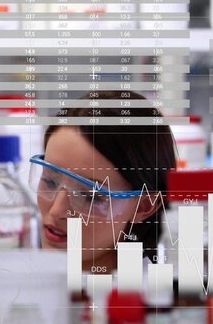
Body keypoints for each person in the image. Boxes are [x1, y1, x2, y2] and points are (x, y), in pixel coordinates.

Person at [29, 91, 176, 271]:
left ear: (144, 205)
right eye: (50, 181)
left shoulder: (151, 296)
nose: (57, 210)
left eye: (90, 196)